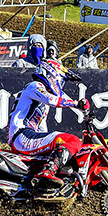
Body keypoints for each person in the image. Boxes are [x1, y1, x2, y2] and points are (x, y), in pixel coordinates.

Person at [7, 59, 89, 189]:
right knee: (73, 140)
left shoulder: (40, 100)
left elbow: (42, 128)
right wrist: (75, 104)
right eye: (60, 81)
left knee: (59, 146)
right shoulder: (35, 85)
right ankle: (47, 172)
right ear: (51, 75)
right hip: (22, 134)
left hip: (26, 136)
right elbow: (51, 100)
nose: (60, 85)